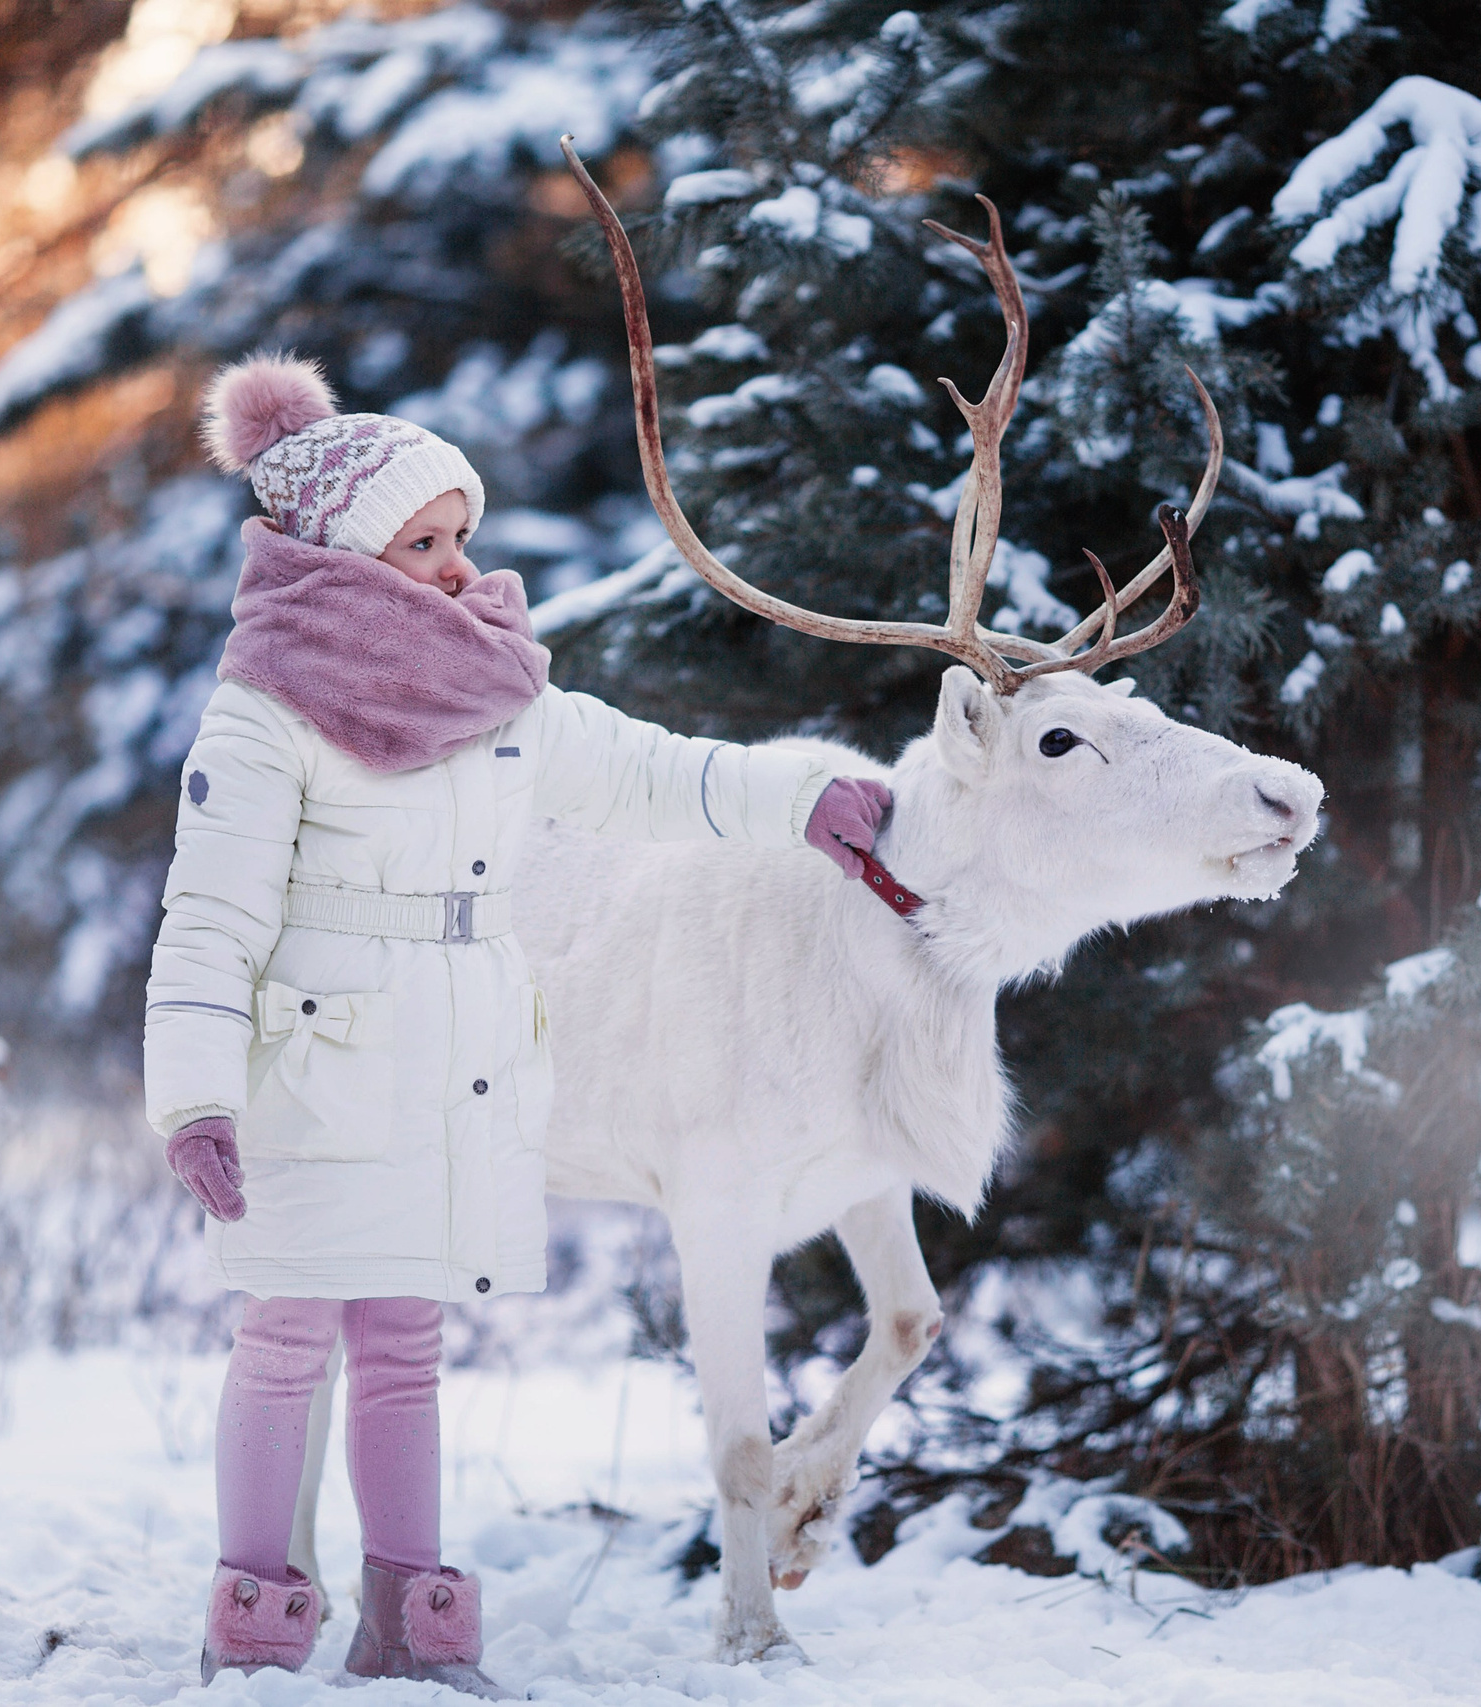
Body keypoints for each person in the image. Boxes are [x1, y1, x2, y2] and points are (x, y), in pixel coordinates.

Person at [145, 355, 890, 1692]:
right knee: (287, 1337)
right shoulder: (266, 709)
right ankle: (252, 1618)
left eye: (457, 535)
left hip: (453, 1064)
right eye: (418, 541)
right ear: (343, 553)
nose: (448, 564)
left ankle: (409, 1622)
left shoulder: (500, 696)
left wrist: (799, 798)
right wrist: (194, 1095)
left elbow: (655, 772)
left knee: (407, 1346)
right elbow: (207, 917)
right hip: (312, 1070)